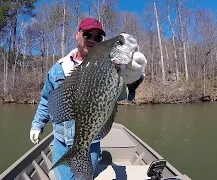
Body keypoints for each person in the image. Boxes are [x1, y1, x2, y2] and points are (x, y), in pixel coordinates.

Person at [29, 17, 147, 179]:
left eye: (97, 37)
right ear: (77, 34)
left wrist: (133, 80)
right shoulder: (59, 68)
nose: (92, 40)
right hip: (61, 141)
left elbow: (121, 95)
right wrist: (37, 125)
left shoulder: (110, 64)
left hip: (90, 144)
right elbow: (46, 100)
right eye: (87, 34)